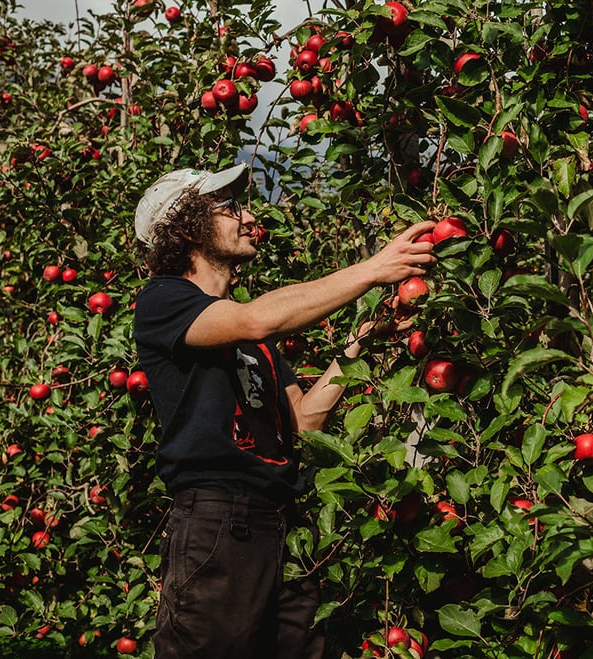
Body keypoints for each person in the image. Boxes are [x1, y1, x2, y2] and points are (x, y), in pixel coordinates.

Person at [131, 162, 435, 658]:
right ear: (186, 227)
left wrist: (362, 341)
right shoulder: (164, 301)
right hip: (216, 523)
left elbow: (304, 420)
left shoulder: (259, 341)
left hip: (280, 526)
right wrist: (375, 268)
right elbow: (255, 319)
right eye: (229, 206)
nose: (249, 215)